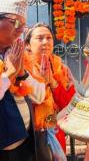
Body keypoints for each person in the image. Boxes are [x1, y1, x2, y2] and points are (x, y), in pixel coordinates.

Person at [0, 0, 46, 161]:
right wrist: (8, 75)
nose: (21, 30)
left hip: (26, 145)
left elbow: (40, 96)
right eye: (15, 22)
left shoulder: (19, 51)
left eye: (24, 25)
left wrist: (22, 74)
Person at [24, 23, 76, 161]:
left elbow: (70, 104)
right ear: (28, 45)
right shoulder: (22, 69)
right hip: (29, 134)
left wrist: (52, 82)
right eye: (40, 38)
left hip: (55, 130)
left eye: (49, 38)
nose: (45, 42)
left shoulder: (62, 68)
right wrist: (40, 83)